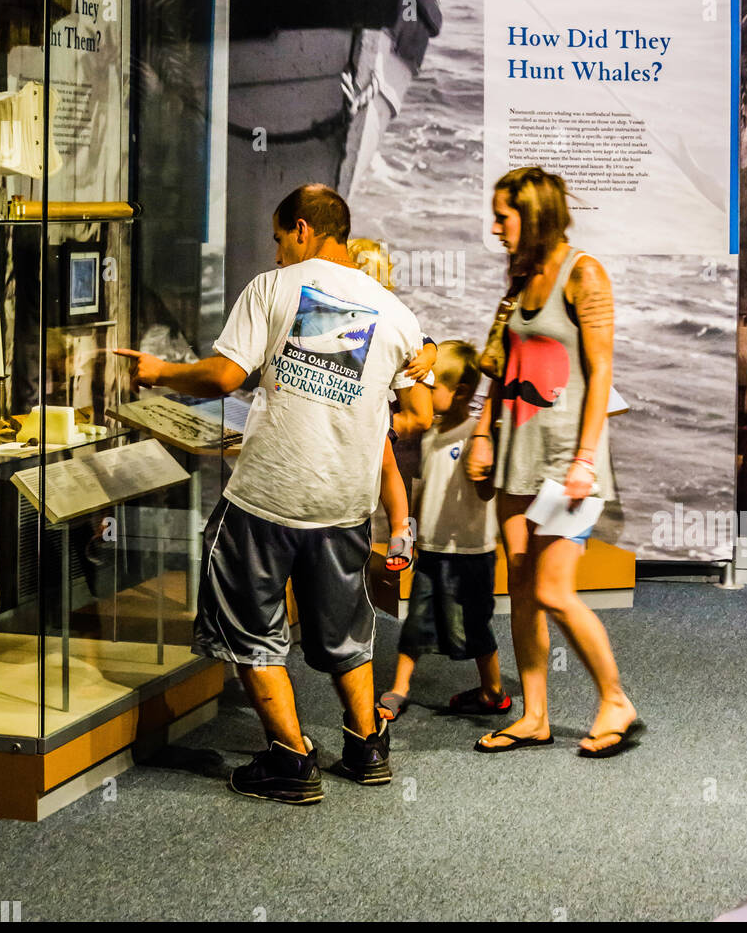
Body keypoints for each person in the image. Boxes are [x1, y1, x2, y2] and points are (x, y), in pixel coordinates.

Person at [116, 183, 432, 806]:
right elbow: (416, 411)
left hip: (267, 497)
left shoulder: (271, 287)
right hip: (344, 502)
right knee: (344, 628)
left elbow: (225, 375)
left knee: (251, 626)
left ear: (303, 230)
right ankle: (366, 745)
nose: (277, 250)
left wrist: (159, 372)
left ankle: (290, 759)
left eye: (279, 237)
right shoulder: (396, 314)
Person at [466, 167, 643, 758]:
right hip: (518, 449)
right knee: (518, 587)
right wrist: (484, 433)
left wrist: (587, 459)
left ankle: (615, 699)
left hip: (570, 457)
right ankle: (535, 715)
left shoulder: (584, 274)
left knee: (552, 589)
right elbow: (502, 363)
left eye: (504, 217)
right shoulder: (520, 275)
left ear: (534, 216)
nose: (494, 228)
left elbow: (602, 376)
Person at [377, 341, 511, 724]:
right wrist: (410, 535)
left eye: (432, 388)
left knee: (475, 622)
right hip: (432, 551)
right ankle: (400, 688)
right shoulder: (431, 432)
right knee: (415, 620)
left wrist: (482, 472)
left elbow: (488, 492)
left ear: (461, 392)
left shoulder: (477, 435)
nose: (424, 396)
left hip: (473, 552)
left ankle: (492, 691)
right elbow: (421, 489)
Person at [347, 236, 437, 571]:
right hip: (349, 410)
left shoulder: (394, 317)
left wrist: (429, 353)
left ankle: (402, 529)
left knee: (387, 467)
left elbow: (422, 340)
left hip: (372, 417)